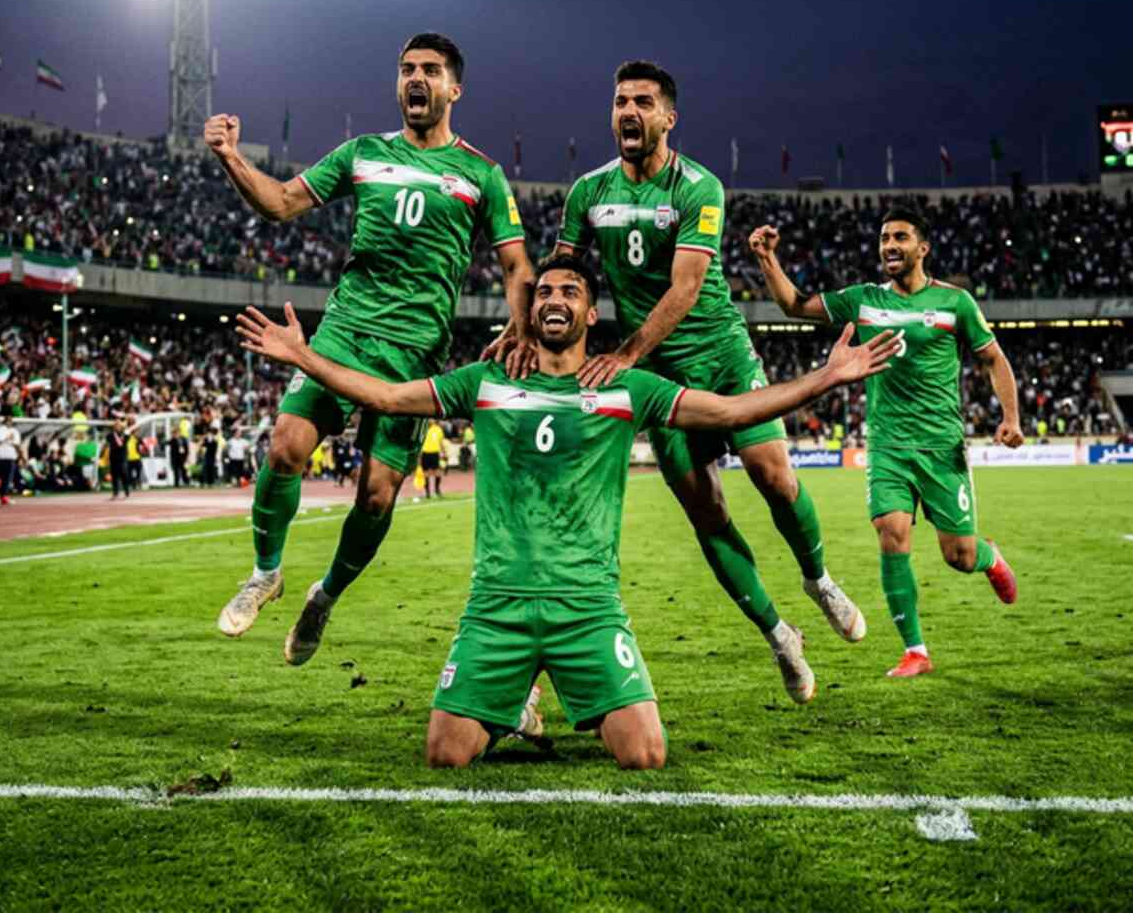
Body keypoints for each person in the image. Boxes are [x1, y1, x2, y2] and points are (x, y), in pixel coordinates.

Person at [235, 258, 898, 762]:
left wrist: (827, 377)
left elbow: (729, 410)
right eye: (545, 292)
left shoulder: (627, 388)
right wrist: (303, 356)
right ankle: (510, 701)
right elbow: (384, 397)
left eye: (570, 293)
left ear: (591, 315)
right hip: (497, 607)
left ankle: (533, 696)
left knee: (646, 753)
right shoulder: (486, 381)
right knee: (444, 754)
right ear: (529, 312)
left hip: (588, 609)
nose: (554, 300)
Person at [540, 60, 864, 700]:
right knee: (706, 511)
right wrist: (524, 330)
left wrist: (627, 352)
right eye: (620, 101)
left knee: (775, 476)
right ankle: (780, 636)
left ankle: (819, 578)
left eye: (643, 102)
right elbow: (562, 275)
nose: (628, 112)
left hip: (720, 355)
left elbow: (686, 288)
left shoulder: (699, 187)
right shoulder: (588, 192)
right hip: (658, 374)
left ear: (669, 118)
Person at [207, 32, 537, 646]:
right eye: (407, 69)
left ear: (454, 89)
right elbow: (280, 203)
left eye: (430, 70)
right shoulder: (362, 153)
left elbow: (517, 265)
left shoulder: (482, 174)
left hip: (414, 351)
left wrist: (520, 326)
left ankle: (325, 594)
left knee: (379, 496)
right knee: (285, 447)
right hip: (345, 332)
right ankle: (264, 574)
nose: (416, 78)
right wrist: (230, 156)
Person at [749, 205, 1022, 678]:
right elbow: (794, 305)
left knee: (959, 555)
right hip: (888, 447)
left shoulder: (955, 303)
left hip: (941, 448)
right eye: (883, 239)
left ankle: (988, 557)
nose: (889, 246)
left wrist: (1011, 417)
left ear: (923, 248)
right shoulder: (864, 300)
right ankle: (916, 650)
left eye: (899, 237)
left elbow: (994, 359)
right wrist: (767, 260)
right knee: (891, 533)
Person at [0, 414, 21, 506]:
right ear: (4, 421)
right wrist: (7, 439)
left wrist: (19, 456)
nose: (9, 422)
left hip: (11, 457)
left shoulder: (15, 431)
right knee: (0, 478)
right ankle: (2, 495)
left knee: (8, 478)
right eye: (7, 420)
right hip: (1, 456)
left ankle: (4, 496)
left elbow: (17, 444)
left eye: (10, 420)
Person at [419, 419, 446, 498]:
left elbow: (441, 442)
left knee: (438, 472)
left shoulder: (438, 429)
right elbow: (420, 442)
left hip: (435, 453)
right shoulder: (423, 429)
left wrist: (444, 452)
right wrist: (419, 455)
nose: (430, 420)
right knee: (426, 473)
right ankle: (427, 493)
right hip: (425, 453)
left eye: (432, 419)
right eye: (429, 419)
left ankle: (437, 490)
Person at [106, 418, 131, 500]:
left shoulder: (125, 435)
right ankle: (115, 493)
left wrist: (125, 431)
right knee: (114, 476)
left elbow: (125, 441)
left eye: (119, 425)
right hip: (113, 457)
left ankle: (126, 492)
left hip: (122, 457)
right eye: (116, 425)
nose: (117, 426)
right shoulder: (110, 435)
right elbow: (114, 443)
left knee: (124, 475)